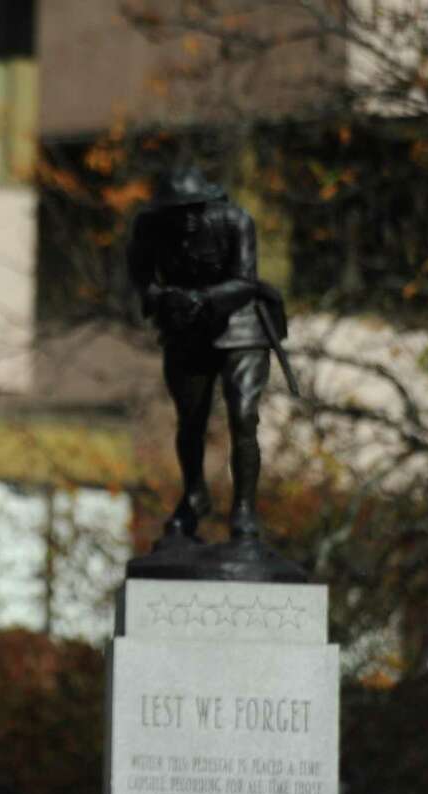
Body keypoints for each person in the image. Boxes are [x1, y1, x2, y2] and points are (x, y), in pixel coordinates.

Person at [128, 167, 288, 545]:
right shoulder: (148, 227)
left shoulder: (236, 221)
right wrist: (160, 298)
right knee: (190, 420)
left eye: (193, 209)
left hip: (240, 322)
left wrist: (204, 298)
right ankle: (194, 496)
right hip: (187, 326)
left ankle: (244, 508)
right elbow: (140, 274)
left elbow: (246, 280)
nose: (185, 218)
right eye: (176, 211)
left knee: (244, 414)